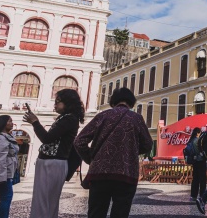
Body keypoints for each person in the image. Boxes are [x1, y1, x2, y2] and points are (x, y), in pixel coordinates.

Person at [74, 87, 153, 218]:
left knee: (96, 214)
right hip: (126, 175)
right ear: (131, 102)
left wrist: (92, 159)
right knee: (120, 214)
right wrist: (130, 150)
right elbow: (148, 144)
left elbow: (79, 141)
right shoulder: (136, 118)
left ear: (113, 101)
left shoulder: (102, 116)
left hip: (99, 174)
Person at [23, 89, 84, 218]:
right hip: (51, 162)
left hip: (53, 163)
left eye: (58, 102)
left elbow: (47, 138)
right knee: (46, 200)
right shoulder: (65, 118)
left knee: (44, 200)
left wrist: (35, 122)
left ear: (67, 103)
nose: (55, 105)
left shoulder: (69, 119)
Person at [188, 127, 207, 202]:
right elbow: (200, 151)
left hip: (194, 161)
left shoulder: (191, 140)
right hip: (200, 161)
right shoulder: (197, 141)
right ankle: (202, 195)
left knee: (195, 179)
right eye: (200, 133)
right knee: (202, 179)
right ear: (197, 133)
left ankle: (193, 195)